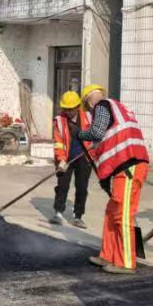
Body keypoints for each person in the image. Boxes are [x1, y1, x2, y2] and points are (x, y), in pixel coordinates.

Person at [77, 84, 150, 274]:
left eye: (87, 107)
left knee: (122, 214)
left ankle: (126, 262)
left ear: (89, 100)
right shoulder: (116, 109)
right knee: (112, 211)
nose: (89, 111)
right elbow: (107, 141)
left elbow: (96, 132)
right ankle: (108, 255)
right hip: (125, 166)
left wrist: (81, 134)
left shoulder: (102, 106)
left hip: (129, 166)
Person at [50, 90, 92, 228]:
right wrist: (61, 159)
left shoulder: (88, 118)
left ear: (78, 106)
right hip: (66, 159)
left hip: (83, 158)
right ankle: (58, 213)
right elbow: (58, 143)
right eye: (65, 109)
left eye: (70, 109)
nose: (68, 111)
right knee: (62, 186)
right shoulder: (59, 121)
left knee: (82, 188)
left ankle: (78, 216)